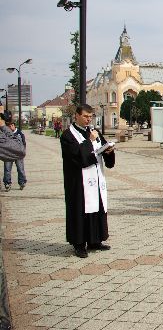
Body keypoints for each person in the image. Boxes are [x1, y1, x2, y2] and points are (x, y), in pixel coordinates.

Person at [60, 104, 115, 258]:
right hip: (78, 181)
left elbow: (102, 148)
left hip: (96, 178)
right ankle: (79, 244)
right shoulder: (67, 135)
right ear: (76, 116)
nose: (88, 119)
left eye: (90, 116)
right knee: (80, 210)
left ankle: (95, 240)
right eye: (85, 116)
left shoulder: (94, 132)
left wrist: (109, 151)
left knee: (97, 207)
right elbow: (76, 156)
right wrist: (89, 141)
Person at [3, 120, 27, 191]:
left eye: (11, 125)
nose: (10, 127)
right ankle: (7, 183)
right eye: (9, 126)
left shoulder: (20, 133)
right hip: (8, 154)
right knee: (7, 169)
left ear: (14, 126)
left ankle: (22, 182)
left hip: (18, 154)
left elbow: (24, 143)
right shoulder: (5, 134)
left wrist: (23, 151)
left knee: (20, 169)